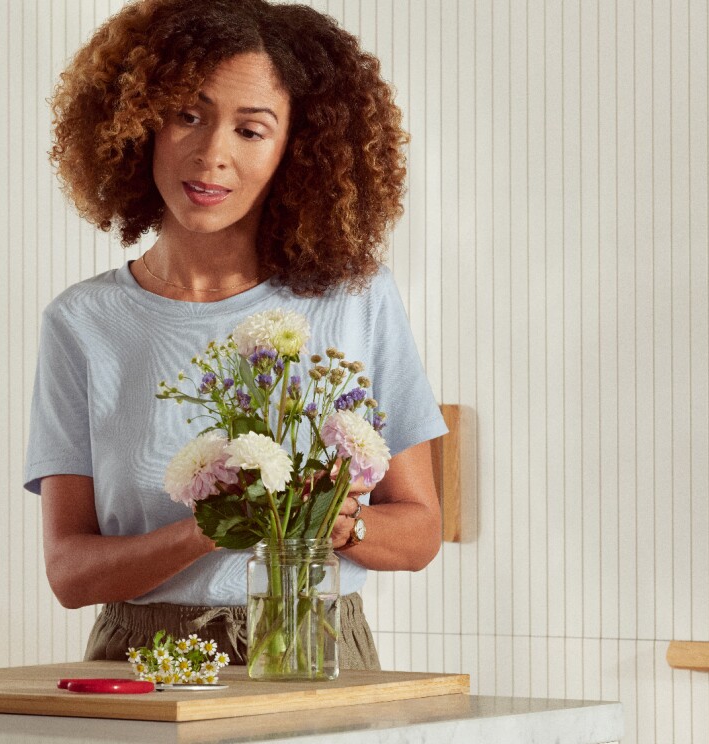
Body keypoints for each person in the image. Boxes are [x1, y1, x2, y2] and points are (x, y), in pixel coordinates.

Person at [24, 0, 446, 671]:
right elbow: (70, 572)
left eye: (251, 130)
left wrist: (340, 525)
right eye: (187, 115)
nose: (210, 154)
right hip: (143, 664)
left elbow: (421, 529)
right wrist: (205, 531)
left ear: (297, 150)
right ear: (140, 123)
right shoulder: (82, 323)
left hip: (319, 652)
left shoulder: (357, 301)